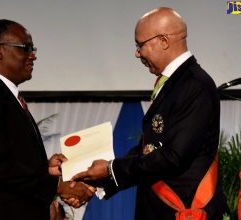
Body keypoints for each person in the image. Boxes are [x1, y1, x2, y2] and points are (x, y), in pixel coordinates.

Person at [71, 7, 230, 220]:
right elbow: (150, 149)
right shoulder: (175, 83)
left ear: (164, 41)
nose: (137, 53)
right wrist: (99, 181)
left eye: (140, 45)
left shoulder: (194, 84)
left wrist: (110, 169)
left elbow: (173, 157)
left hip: (183, 211)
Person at [0, 19, 93, 220]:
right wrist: (58, 186)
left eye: (32, 48)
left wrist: (46, 169)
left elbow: (5, 157)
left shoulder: (4, 95)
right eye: (25, 48)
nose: (33, 55)